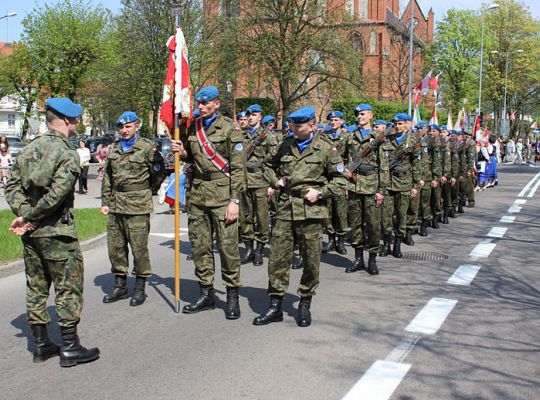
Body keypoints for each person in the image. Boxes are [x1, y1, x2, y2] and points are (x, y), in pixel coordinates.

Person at [5, 98, 99, 367]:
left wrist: (25, 216)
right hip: (57, 233)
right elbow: (57, 196)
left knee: (36, 288)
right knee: (68, 288)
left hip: (32, 235)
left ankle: (41, 345)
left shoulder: (28, 149)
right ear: (68, 121)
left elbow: (11, 188)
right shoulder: (68, 153)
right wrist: (29, 217)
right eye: (75, 120)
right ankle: (70, 347)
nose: (76, 125)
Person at [253, 107, 346, 327]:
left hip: (311, 211)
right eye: (292, 124)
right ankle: (275, 305)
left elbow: (340, 181)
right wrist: (275, 181)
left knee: (311, 260)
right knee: (278, 259)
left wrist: (320, 193)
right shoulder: (285, 145)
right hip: (286, 209)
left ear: (312, 125)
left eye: (299, 125)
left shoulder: (326, 149)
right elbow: (266, 164)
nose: (293, 128)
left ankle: (305, 303)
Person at [171, 86, 246, 319]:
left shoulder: (230, 128)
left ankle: (232, 296)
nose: (200, 107)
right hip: (198, 195)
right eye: (199, 104)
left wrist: (235, 200)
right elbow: (194, 158)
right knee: (200, 246)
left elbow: (238, 168)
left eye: (205, 104)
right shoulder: (194, 126)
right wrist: (183, 152)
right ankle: (206, 294)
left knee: (227, 248)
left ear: (217, 103)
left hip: (223, 195)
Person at [101, 111, 166, 306]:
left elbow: (158, 174)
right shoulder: (113, 148)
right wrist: (105, 201)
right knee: (115, 248)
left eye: (128, 126)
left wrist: (145, 191)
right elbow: (107, 178)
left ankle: (140, 287)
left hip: (138, 205)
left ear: (137, 126)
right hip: (116, 205)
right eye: (121, 127)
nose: (124, 130)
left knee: (139, 249)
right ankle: (120, 286)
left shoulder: (147, 148)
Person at [342, 107, 388, 275]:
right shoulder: (349, 137)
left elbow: (384, 167)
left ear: (370, 116)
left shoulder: (379, 138)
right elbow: (337, 158)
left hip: (371, 187)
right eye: (357, 114)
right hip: (353, 186)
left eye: (362, 114)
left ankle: (372, 259)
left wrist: (381, 190)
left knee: (373, 226)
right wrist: (342, 171)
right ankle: (358, 259)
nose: (359, 117)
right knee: (355, 225)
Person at [239, 104, 278, 266]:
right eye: (248, 115)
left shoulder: (267, 136)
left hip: (261, 180)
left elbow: (275, 158)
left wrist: (271, 184)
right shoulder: (240, 136)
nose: (250, 117)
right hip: (244, 180)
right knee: (245, 216)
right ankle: (248, 248)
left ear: (260, 116)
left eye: (254, 114)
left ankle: (259, 251)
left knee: (262, 218)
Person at [379, 113, 420, 258]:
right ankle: (386, 245)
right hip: (388, 184)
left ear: (406, 124)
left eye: (400, 124)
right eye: (395, 124)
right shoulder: (387, 140)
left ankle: (397, 245)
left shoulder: (413, 141)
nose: (397, 127)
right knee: (386, 216)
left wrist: (415, 186)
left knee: (401, 215)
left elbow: (416, 164)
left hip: (404, 183)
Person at [321, 110, 349, 255]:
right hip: (327, 177)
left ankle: (341, 241)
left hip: (340, 178)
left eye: (336, 120)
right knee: (328, 210)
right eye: (331, 120)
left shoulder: (347, 137)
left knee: (341, 211)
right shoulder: (324, 137)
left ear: (342, 121)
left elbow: (350, 157)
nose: (333, 123)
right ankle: (331, 239)